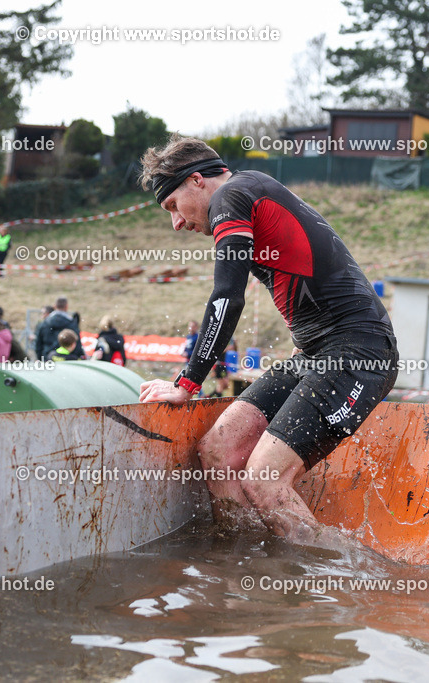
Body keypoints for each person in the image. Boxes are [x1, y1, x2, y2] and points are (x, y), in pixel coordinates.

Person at [137, 136, 398, 543]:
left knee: (264, 479)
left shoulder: (231, 196)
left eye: (172, 206)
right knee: (218, 453)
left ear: (197, 181)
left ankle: (330, 580)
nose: (177, 223)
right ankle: (243, 559)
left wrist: (185, 384)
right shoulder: (250, 189)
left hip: (357, 353)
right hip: (317, 352)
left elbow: (227, 298)